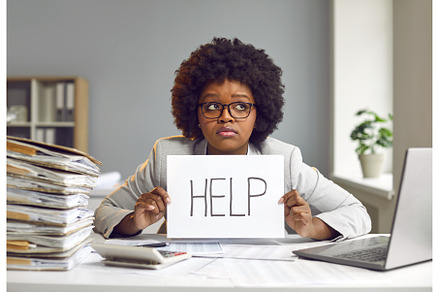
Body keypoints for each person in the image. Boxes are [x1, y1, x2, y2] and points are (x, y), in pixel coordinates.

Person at [94, 37, 371, 240]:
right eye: (212, 106)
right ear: (195, 113)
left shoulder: (283, 160)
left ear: (258, 113)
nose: (226, 117)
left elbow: (357, 212)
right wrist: (135, 221)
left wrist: (312, 227)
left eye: (240, 106)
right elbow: (103, 211)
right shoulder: (168, 156)